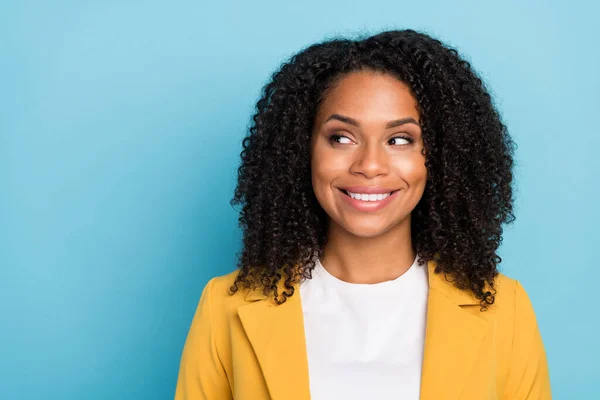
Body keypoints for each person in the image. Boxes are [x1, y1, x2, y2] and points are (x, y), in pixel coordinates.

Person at [174, 29, 551, 399]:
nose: (370, 165)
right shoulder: (223, 306)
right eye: (341, 137)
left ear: (441, 157)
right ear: (301, 151)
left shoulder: (505, 307)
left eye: (400, 139)